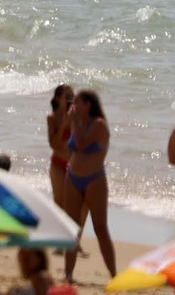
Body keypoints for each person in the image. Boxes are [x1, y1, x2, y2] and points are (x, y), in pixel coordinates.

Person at [62, 89, 115, 281]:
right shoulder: (78, 122)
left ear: (88, 105)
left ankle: (113, 274)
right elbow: (68, 143)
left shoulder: (99, 124)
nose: (73, 107)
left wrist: (75, 121)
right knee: (72, 228)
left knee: (100, 227)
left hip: (94, 179)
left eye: (77, 103)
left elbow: (83, 144)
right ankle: (68, 273)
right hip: (73, 177)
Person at [46, 84, 75, 214]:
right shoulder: (52, 118)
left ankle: (71, 233)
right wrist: (63, 125)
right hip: (58, 164)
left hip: (74, 166)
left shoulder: (77, 116)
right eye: (67, 97)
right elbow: (53, 145)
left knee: (72, 204)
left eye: (72, 96)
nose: (70, 99)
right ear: (58, 99)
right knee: (59, 203)